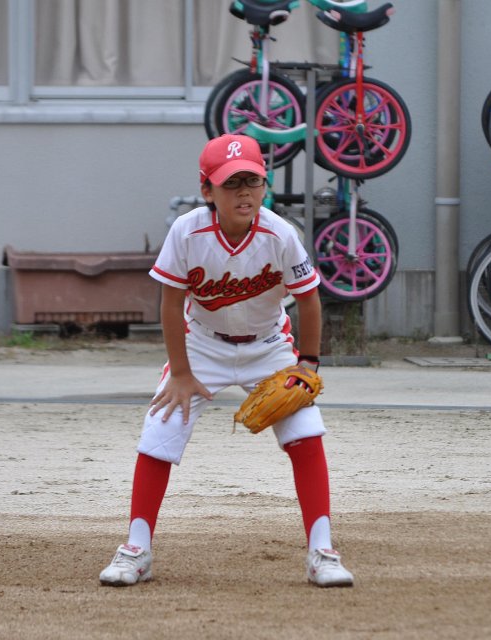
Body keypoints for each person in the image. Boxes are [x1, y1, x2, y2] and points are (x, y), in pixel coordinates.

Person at [99, 134, 354, 588]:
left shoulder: (280, 234)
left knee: (305, 432)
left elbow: (309, 299)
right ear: (207, 189)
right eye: (231, 183)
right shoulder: (188, 231)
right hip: (202, 345)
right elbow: (170, 304)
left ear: (265, 186)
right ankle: (137, 549)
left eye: (252, 181)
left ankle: (322, 551)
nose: (243, 193)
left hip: (269, 346)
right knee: (159, 430)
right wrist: (180, 373)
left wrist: (308, 365)